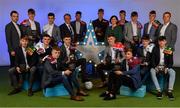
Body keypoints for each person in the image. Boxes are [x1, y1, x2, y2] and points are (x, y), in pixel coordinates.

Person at [150, 36, 175, 101]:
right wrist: (155, 67)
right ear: (158, 42)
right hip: (157, 66)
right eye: (160, 41)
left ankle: (169, 91)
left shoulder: (168, 49)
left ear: (165, 42)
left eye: (163, 41)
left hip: (165, 66)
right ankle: (159, 91)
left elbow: (171, 62)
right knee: (152, 71)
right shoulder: (155, 49)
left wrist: (167, 68)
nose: (161, 42)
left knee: (173, 72)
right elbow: (152, 60)